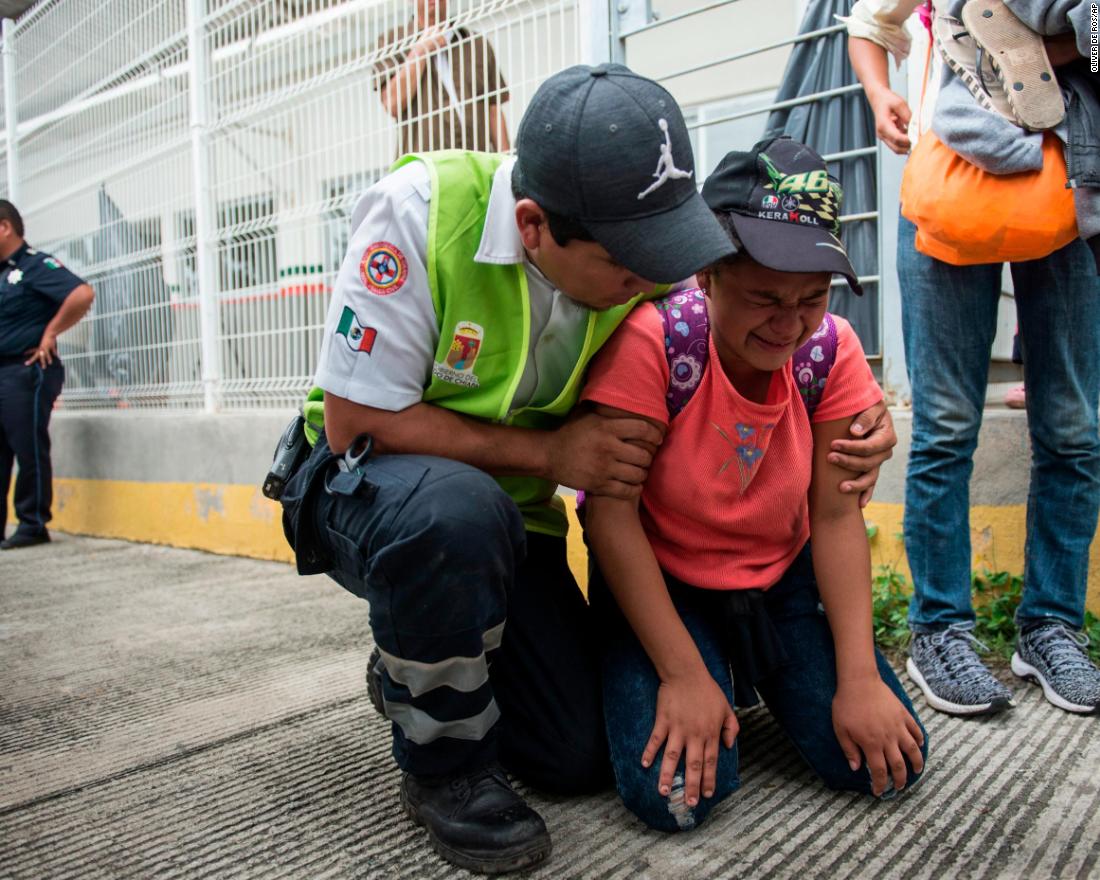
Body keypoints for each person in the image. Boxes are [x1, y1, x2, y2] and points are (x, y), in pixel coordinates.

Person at [278, 65, 898, 874]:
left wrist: (860, 422)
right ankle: (444, 771)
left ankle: (420, 662)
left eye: (669, 250)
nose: (656, 281)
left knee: (573, 758)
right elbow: (360, 422)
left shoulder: (640, 256)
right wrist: (550, 454)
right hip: (373, 486)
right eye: (631, 264)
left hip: (513, 519)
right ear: (534, 227)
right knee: (456, 515)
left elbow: (739, 330)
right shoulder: (419, 216)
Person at [578, 136, 927, 832]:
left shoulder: (829, 350)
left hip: (778, 584)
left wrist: (858, 676)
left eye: (813, 298)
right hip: (665, 583)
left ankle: (748, 667)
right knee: (676, 798)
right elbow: (608, 516)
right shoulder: (657, 343)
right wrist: (680, 673)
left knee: (889, 765)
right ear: (707, 274)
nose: (790, 324)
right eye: (765, 297)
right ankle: (697, 667)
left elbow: (833, 518)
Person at [846, 0, 1100, 716]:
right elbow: (869, 23)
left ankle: (1052, 627)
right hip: (946, 185)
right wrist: (879, 94)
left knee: (1074, 425)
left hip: (1074, 181)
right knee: (946, 422)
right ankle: (940, 630)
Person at [0, 200, 95, 550]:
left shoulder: (35, 266)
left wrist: (51, 332)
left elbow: (82, 293)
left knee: (28, 448)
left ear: (5, 227)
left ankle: (33, 523)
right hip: (2, 372)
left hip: (26, 372)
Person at [374, 0, 509, 155]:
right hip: (423, 170)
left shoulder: (476, 43)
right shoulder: (392, 42)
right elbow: (392, 103)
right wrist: (421, 50)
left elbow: (494, 109)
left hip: (475, 165)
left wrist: (504, 165)